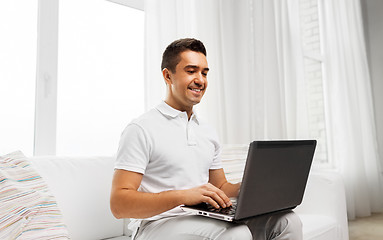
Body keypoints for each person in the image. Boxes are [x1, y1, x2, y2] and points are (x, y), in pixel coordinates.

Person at [110, 38, 302, 240]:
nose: (200, 80)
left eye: (204, 72)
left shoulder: (207, 131)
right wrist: (183, 196)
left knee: (287, 222)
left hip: (201, 217)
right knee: (236, 233)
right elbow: (119, 204)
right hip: (157, 225)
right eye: (191, 71)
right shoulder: (141, 128)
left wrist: (252, 186)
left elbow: (220, 187)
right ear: (168, 76)